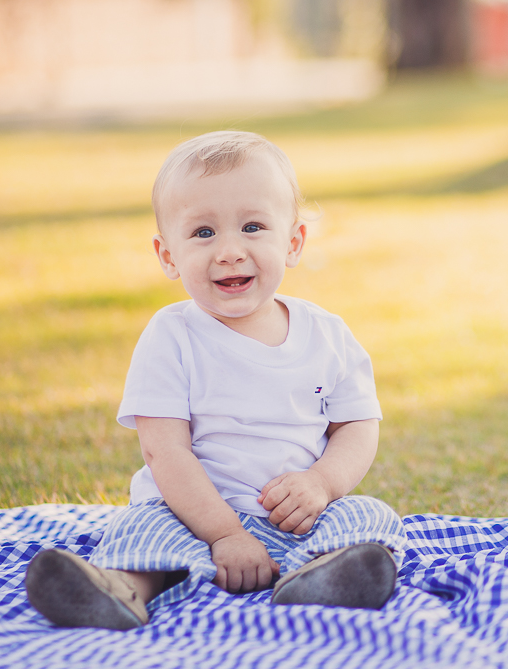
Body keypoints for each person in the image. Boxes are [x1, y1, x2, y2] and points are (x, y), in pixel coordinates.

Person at [24, 131, 406, 630]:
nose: (229, 251)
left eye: (252, 227)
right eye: (203, 233)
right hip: (192, 516)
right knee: (139, 526)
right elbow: (166, 453)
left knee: (371, 518)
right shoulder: (172, 336)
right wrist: (223, 533)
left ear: (292, 243)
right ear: (167, 255)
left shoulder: (327, 334)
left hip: (297, 516)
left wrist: (321, 483)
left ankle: (318, 579)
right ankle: (119, 592)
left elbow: (358, 426)